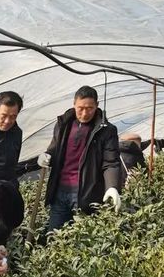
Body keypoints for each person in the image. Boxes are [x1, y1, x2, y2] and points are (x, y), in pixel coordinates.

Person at [37, 86, 124, 232]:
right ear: (74, 104)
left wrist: (112, 187)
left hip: (86, 194)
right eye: (81, 108)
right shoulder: (63, 124)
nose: (84, 113)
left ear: (97, 105)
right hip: (60, 192)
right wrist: (47, 156)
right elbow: (54, 148)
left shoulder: (106, 130)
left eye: (90, 108)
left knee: (82, 239)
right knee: (53, 236)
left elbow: (111, 163)